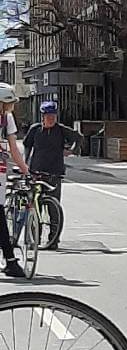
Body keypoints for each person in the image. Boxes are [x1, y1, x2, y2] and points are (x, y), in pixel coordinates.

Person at [22, 100, 82, 250]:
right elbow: (27, 145)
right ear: (42, 116)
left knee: (54, 208)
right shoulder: (35, 129)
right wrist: (25, 165)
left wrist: (72, 151)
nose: (51, 119)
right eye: (48, 116)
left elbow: (78, 137)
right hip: (36, 173)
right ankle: (34, 238)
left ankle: (53, 240)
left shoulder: (61, 130)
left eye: (53, 116)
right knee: (35, 208)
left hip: (54, 173)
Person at [0, 84, 31, 277]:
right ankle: (10, 259)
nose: (12, 106)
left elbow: (12, 149)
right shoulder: (7, 119)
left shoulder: (7, 118)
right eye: (10, 103)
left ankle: (10, 259)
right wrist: (26, 170)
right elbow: (13, 149)